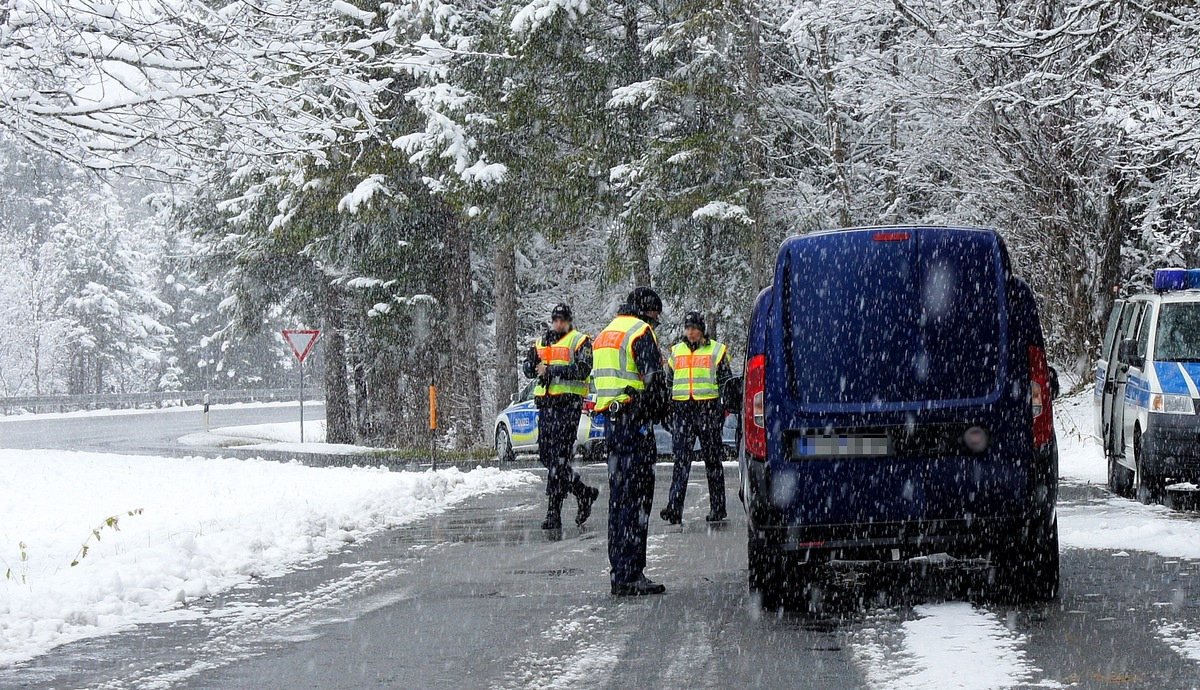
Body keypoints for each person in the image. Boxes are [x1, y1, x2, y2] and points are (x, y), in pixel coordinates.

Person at [593, 287, 671, 596]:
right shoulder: (640, 332)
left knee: (619, 500)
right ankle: (632, 573)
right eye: (655, 317)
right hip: (635, 423)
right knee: (639, 500)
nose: (655, 324)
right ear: (647, 312)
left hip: (613, 424)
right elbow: (653, 381)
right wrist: (658, 411)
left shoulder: (605, 335)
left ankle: (619, 572)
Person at [522, 303, 600, 530]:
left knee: (559, 459)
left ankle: (553, 513)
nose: (558, 324)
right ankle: (583, 492)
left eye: (562, 320)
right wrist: (532, 367)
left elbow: (584, 369)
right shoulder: (542, 341)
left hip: (568, 405)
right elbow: (528, 366)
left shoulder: (580, 341)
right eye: (555, 320)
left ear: (569, 321)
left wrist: (552, 370)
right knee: (548, 456)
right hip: (546, 405)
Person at [661, 311, 735, 524]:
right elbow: (669, 382)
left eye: (694, 328)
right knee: (681, 461)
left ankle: (718, 508)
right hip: (683, 410)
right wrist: (669, 407)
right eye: (688, 328)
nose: (690, 332)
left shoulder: (716, 351)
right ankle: (674, 508)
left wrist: (722, 408)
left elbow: (726, 383)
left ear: (702, 329)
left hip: (708, 410)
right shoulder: (676, 352)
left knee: (712, 461)